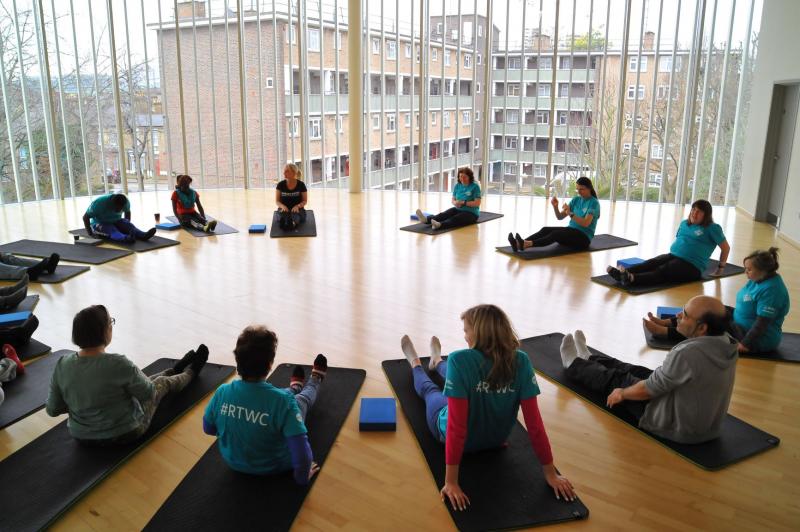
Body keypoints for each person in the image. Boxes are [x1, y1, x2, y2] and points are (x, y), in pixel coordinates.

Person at [402, 304, 575, 510]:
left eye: (466, 330)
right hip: (496, 440)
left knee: (431, 392)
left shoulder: (460, 358)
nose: (465, 336)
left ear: (479, 332)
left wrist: (451, 482)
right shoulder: (521, 360)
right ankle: (437, 361)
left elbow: (456, 428)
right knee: (457, 376)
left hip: (451, 434)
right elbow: (535, 425)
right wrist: (550, 474)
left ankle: (415, 363)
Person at [561, 295, 737, 444]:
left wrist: (622, 393)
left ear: (702, 328)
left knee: (617, 379)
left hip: (677, 427)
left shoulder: (687, 353)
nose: (678, 315)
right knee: (636, 370)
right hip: (707, 426)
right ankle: (589, 358)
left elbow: (647, 390)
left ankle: (573, 364)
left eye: (685, 314)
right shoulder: (726, 342)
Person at [45, 305, 208, 444]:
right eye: (110, 322)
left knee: (142, 383)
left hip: (80, 436)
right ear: (104, 331)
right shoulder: (118, 363)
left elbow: (52, 409)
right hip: (125, 433)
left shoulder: (62, 364)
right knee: (162, 383)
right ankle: (191, 371)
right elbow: (149, 394)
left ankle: (175, 369)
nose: (111, 326)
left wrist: (82, 403)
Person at [202, 325, 328, 485]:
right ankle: (315, 380)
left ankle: (294, 387)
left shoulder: (222, 391)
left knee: (278, 396)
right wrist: (302, 478)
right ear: (270, 365)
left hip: (233, 462)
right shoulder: (283, 403)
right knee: (301, 401)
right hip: (275, 466)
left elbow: (209, 429)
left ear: (237, 361)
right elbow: (302, 453)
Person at [645, 248, 790, 354]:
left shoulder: (772, 290)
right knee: (708, 308)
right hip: (740, 321)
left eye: (749, 269)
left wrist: (745, 344)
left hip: (753, 338)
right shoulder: (758, 279)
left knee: (709, 324)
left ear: (763, 270)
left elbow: (761, 324)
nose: (745, 272)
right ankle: (668, 322)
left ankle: (665, 332)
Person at [606, 199, 730, 287]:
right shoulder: (684, 223)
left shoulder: (713, 228)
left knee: (663, 270)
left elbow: (726, 248)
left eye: (699, 212)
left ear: (706, 215)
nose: (694, 213)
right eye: (693, 209)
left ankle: (632, 279)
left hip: (692, 266)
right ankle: (623, 273)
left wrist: (720, 268)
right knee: (651, 263)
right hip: (674, 255)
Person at [508, 176, 600, 252]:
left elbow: (586, 223)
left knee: (555, 234)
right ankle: (518, 243)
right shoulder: (576, 200)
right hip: (571, 231)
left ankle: (525, 244)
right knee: (545, 229)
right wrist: (555, 206)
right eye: (577, 189)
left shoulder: (594, 203)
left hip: (583, 238)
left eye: (582, 189)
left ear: (589, 188)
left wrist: (570, 213)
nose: (579, 192)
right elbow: (560, 217)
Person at [416, 167, 482, 231]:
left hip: (471, 213)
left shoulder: (475, 187)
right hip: (458, 209)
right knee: (444, 214)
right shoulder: (457, 185)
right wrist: (455, 203)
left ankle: (440, 225)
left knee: (456, 218)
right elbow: (453, 199)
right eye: (460, 176)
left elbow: (477, 203)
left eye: (464, 177)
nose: (462, 179)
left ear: (469, 177)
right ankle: (426, 220)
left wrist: (463, 202)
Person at [82, 193, 156, 243]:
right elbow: (85, 217)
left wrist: (127, 225)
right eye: (117, 208)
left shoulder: (125, 202)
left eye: (120, 208)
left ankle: (143, 235)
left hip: (116, 220)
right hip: (100, 222)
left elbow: (127, 212)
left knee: (128, 225)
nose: (118, 210)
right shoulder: (99, 203)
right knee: (111, 230)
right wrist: (90, 233)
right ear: (112, 203)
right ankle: (126, 238)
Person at [275, 163, 308, 231]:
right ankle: (286, 222)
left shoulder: (301, 185)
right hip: (284, 208)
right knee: (281, 215)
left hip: (297, 209)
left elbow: (305, 201)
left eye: (287, 171)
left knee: (296, 216)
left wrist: (298, 206)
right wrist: (283, 206)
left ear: (294, 173)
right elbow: (277, 201)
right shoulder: (280, 185)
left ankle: (292, 223)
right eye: (284, 170)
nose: (284, 172)